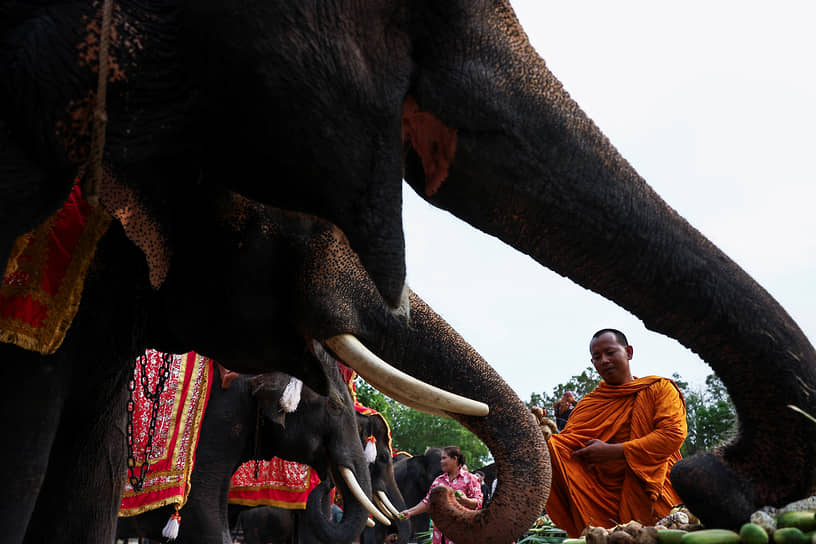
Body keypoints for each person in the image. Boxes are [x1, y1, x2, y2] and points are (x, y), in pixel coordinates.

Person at [545, 329, 687, 537]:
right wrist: (537, 437)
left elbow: (672, 435)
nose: (604, 360)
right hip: (601, 504)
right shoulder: (588, 405)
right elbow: (567, 448)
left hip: (653, 496)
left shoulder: (659, 389)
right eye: (597, 357)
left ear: (629, 352)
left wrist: (613, 451)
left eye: (610, 352)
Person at [399, 446, 483, 544]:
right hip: (439, 535)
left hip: (461, 532)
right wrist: (410, 512)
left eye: (444, 458)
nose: (441, 462)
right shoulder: (438, 481)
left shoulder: (470, 479)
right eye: (441, 459)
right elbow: (427, 502)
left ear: (455, 459)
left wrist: (465, 500)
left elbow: (478, 502)